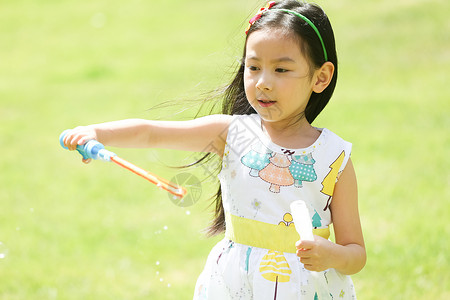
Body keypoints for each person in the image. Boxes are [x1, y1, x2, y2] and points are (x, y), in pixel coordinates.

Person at [63, 0, 366, 298]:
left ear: (321, 77)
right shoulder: (231, 133)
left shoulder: (333, 156)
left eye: (281, 70)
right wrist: (98, 133)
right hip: (234, 284)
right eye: (254, 66)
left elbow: (356, 253)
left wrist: (332, 255)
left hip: (304, 288)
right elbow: (152, 133)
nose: (263, 82)